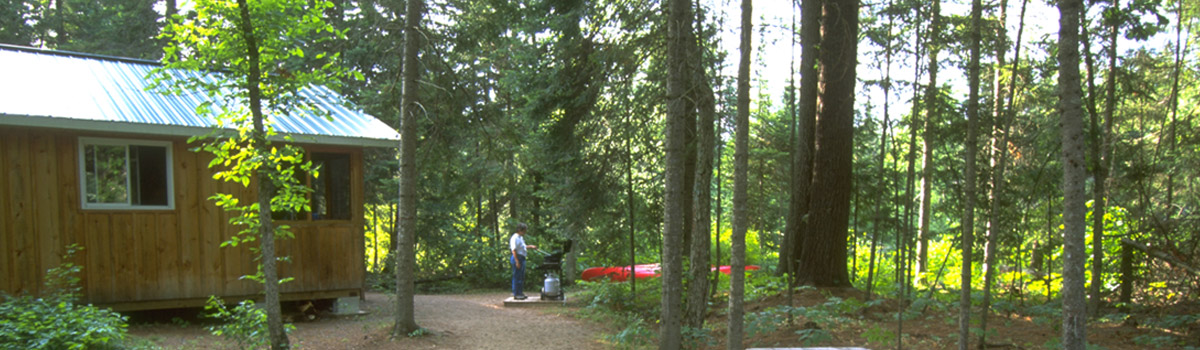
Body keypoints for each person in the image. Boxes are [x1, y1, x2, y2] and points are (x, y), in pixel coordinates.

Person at [509, 222, 537, 300]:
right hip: (517, 258)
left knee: (521, 276)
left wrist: (531, 246)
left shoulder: (520, 237)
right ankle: (516, 294)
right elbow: (513, 250)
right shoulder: (514, 237)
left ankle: (520, 292)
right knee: (517, 276)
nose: (525, 232)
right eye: (524, 230)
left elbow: (523, 246)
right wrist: (517, 261)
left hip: (522, 258)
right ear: (519, 230)